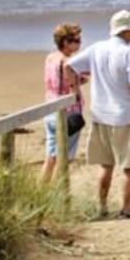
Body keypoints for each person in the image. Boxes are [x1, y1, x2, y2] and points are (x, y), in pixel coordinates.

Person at [66, 9, 130, 218]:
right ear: (125, 31)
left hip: (100, 115)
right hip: (124, 116)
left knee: (106, 165)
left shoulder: (97, 48)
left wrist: (75, 91)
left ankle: (102, 207)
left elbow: (70, 67)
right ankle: (126, 209)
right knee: (129, 166)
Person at [40, 22, 87, 183]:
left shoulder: (50, 57)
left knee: (51, 157)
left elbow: (58, 81)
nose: (79, 43)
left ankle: (42, 191)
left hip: (50, 108)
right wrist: (76, 88)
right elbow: (74, 81)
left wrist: (76, 81)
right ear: (66, 42)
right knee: (64, 158)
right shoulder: (69, 62)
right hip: (68, 113)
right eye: (76, 40)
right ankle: (58, 193)